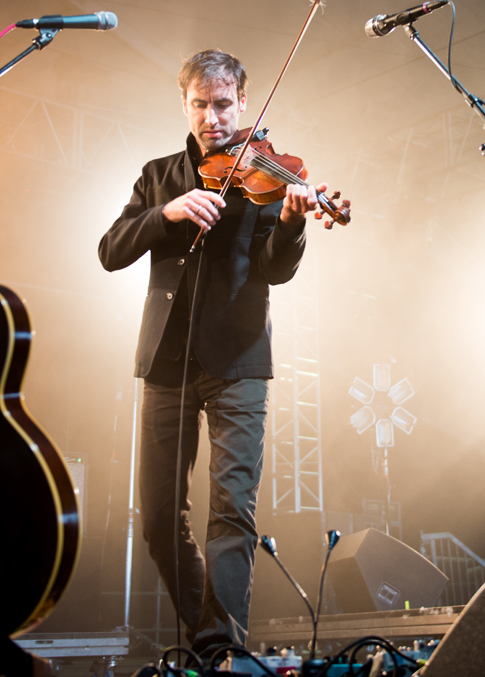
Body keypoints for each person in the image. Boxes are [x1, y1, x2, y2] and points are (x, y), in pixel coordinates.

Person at [98, 49, 325, 658]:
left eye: (223, 105)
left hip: (239, 363)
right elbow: (110, 249)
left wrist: (294, 223)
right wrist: (165, 215)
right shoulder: (159, 175)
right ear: (185, 104)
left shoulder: (267, 173)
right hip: (166, 364)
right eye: (199, 104)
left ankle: (222, 651)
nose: (212, 118)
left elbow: (277, 270)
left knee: (231, 513)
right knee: (158, 521)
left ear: (243, 103)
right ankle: (209, 640)